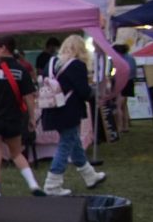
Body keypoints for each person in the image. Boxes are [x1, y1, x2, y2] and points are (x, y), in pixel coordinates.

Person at [0, 34, 45, 197]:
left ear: (3, 48)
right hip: (13, 119)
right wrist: (31, 118)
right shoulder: (21, 70)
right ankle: (33, 184)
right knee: (16, 153)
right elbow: (29, 97)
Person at [40, 35, 106, 195]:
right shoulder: (77, 65)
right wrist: (94, 91)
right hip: (68, 111)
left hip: (51, 109)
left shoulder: (51, 63)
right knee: (66, 144)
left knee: (74, 142)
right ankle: (52, 184)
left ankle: (90, 175)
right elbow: (83, 92)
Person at [112, 43, 136, 133]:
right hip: (129, 82)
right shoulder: (130, 57)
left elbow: (124, 72)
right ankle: (125, 126)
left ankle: (120, 127)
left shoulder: (123, 59)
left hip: (124, 83)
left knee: (118, 105)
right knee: (124, 106)